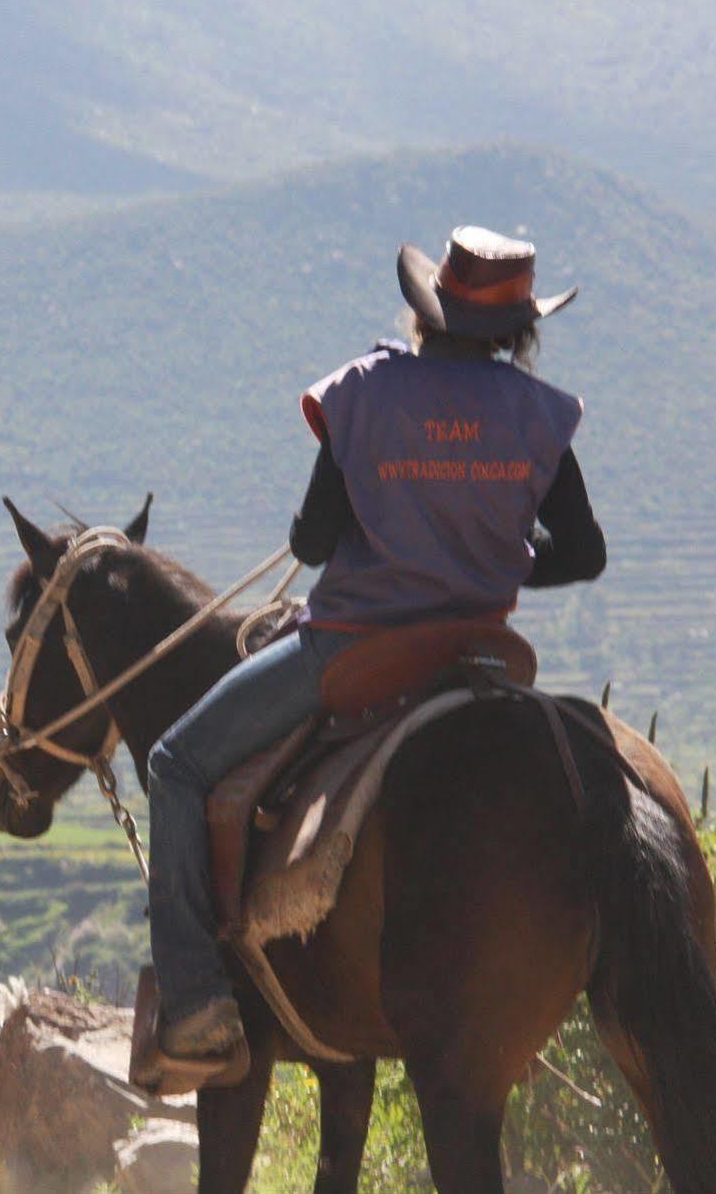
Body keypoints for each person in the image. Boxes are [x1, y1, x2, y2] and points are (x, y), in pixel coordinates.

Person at [145, 226, 607, 1065]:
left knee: (175, 765)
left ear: (428, 313)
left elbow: (315, 544)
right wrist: (497, 561)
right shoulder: (540, 416)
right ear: (517, 334)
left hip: (355, 648)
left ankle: (195, 1004)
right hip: (477, 646)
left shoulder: (367, 392)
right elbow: (585, 555)